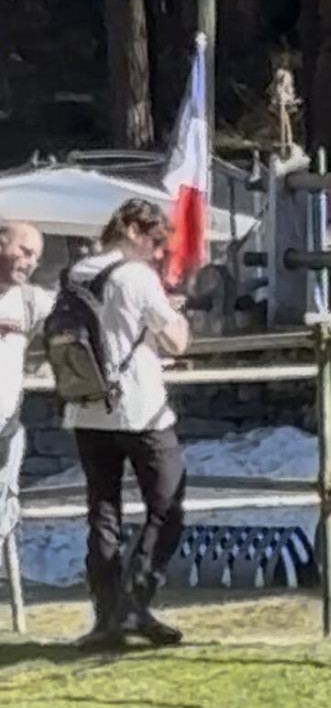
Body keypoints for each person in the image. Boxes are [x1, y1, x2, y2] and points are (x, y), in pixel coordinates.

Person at [63, 199, 190, 650]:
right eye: (156, 241)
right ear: (134, 229)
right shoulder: (136, 276)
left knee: (103, 509)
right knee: (168, 505)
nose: (158, 253)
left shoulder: (76, 273)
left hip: (86, 407)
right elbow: (175, 339)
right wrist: (174, 313)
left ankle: (106, 615)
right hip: (139, 408)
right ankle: (135, 601)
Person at [0, 222, 54, 550]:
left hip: (6, 428)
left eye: (36, 256)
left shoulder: (30, 300)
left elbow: (69, 319)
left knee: (4, 512)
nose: (31, 261)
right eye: (25, 250)